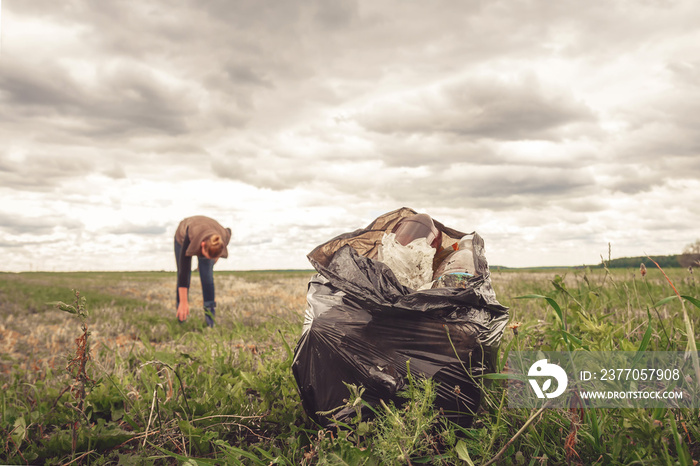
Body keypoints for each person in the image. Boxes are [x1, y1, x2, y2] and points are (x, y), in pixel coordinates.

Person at [174, 215, 232, 327]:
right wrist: (184, 302)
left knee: (207, 276)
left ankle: (210, 320)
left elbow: (229, 230)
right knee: (184, 275)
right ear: (202, 246)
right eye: (207, 256)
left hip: (209, 235)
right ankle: (181, 316)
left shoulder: (223, 236)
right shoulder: (191, 234)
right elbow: (184, 271)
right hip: (181, 237)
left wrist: (214, 259)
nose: (210, 260)